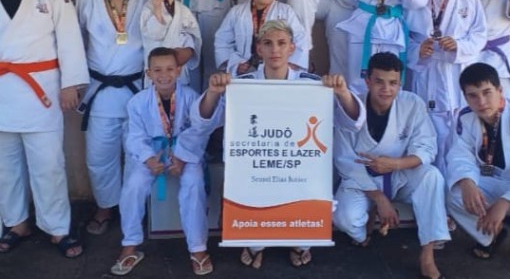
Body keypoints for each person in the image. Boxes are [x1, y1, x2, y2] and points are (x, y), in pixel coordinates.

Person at [193, 19, 363, 269]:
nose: (275, 50)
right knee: (254, 215)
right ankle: (255, 245)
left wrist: (342, 93)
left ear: (292, 48)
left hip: (298, 166)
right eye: (268, 43)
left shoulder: (311, 84)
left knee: (302, 220)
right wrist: (213, 92)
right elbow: (203, 121)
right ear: (259, 49)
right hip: (257, 165)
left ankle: (298, 244)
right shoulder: (242, 85)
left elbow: (352, 122)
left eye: (282, 43)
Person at [0, 0, 89, 258]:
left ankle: (57, 227)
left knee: (48, 164)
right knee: (5, 166)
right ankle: (16, 222)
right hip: (2, 91)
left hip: (41, 90)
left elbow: (69, 36)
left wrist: (71, 83)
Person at [334, 52, 450, 279]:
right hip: (363, 179)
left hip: (400, 174)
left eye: (393, 83)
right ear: (368, 81)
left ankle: (427, 254)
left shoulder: (411, 103)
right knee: (345, 219)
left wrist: (395, 163)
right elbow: (344, 160)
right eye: (379, 82)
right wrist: (379, 198)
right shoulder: (351, 108)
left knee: (432, 175)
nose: (386, 89)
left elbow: (427, 148)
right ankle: (366, 229)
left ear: (400, 83)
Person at [110, 47, 213, 276]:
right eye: (157, 70)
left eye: (169, 69)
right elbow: (134, 136)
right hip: (152, 153)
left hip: (185, 153)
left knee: (194, 183)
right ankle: (130, 244)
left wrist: (183, 157)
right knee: (133, 186)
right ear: (148, 73)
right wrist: (148, 159)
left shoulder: (191, 97)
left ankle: (198, 248)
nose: (164, 75)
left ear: (179, 71)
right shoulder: (137, 102)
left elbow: (199, 132)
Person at [76, 0, 150, 236]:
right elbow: (74, 40)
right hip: (101, 89)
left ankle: (135, 208)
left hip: (139, 88)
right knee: (99, 156)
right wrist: (74, 81)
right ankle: (105, 207)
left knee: (137, 155)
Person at [407, 0, 487, 174]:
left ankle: (458, 183)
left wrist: (459, 46)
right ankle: (428, 181)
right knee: (425, 127)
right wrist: (416, 50)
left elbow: (480, 35)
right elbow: (400, 33)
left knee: (458, 129)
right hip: (426, 71)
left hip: (455, 73)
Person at [447, 62, 510, 260]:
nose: (481, 102)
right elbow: (460, 153)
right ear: (465, 97)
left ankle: (501, 214)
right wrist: (467, 181)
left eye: (487, 92)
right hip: (494, 179)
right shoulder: (465, 117)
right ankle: (492, 234)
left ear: (500, 90)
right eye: (473, 96)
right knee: (451, 191)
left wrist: (505, 202)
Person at [215, 0, 307, 75]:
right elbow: (222, 41)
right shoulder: (236, 13)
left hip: (276, 71)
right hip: (244, 72)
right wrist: (235, 64)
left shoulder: (286, 12)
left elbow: (300, 41)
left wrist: (289, 66)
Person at [141, 0, 201, 86]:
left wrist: (187, 48)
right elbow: (154, 34)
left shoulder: (184, 10)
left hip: (178, 68)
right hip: (156, 69)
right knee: (155, 96)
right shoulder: (147, 9)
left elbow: (194, 35)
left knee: (180, 95)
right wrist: (157, 10)